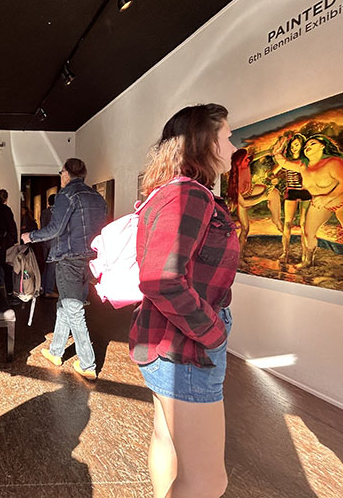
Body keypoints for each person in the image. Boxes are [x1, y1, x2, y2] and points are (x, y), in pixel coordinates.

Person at [132, 104, 239, 498]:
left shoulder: (170, 191)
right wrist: (212, 332)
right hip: (185, 346)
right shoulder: (189, 194)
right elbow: (160, 279)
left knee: (168, 443)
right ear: (204, 141)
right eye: (227, 136)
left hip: (167, 339)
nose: (233, 146)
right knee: (208, 480)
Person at [22, 158, 106, 380]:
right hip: (89, 259)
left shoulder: (66, 195)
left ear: (67, 173)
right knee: (65, 304)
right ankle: (56, 351)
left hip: (69, 259)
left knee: (74, 309)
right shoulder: (97, 197)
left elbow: (54, 228)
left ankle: (88, 364)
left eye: (61, 173)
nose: (61, 176)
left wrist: (30, 236)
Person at [272, 133, 343, 270]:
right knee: (308, 232)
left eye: (313, 144)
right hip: (320, 203)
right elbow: (285, 163)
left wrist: (327, 198)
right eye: (306, 145)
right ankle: (308, 261)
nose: (308, 147)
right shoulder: (303, 165)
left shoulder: (333, 162)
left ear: (322, 146)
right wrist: (277, 153)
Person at [227, 148, 282, 248]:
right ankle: (239, 252)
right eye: (245, 159)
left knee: (273, 193)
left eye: (247, 158)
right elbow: (244, 203)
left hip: (251, 190)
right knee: (245, 228)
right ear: (239, 163)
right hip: (242, 200)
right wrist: (263, 197)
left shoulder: (246, 163)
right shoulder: (235, 182)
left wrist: (268, 151)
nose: (248, 160)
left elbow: (254, 157)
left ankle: (276, 220)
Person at [275, 134, 311, 263]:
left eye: (296, 144)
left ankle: (305, 254)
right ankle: (285, 252)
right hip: (291, 192)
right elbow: (273, 172)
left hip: (305, 192)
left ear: (302, 146)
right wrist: (272, 178)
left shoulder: (305, 160)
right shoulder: (287, 161)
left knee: (304, 224)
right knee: (287, 223)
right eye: (292, 145)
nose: (293, 147)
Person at [39, 194, 58, 298]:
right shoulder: (55, 212)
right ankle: (49, 290)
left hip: (45, 242)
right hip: (53, 242)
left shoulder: (44, 212)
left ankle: (42, 288)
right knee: (51, 267)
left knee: (46, 266)